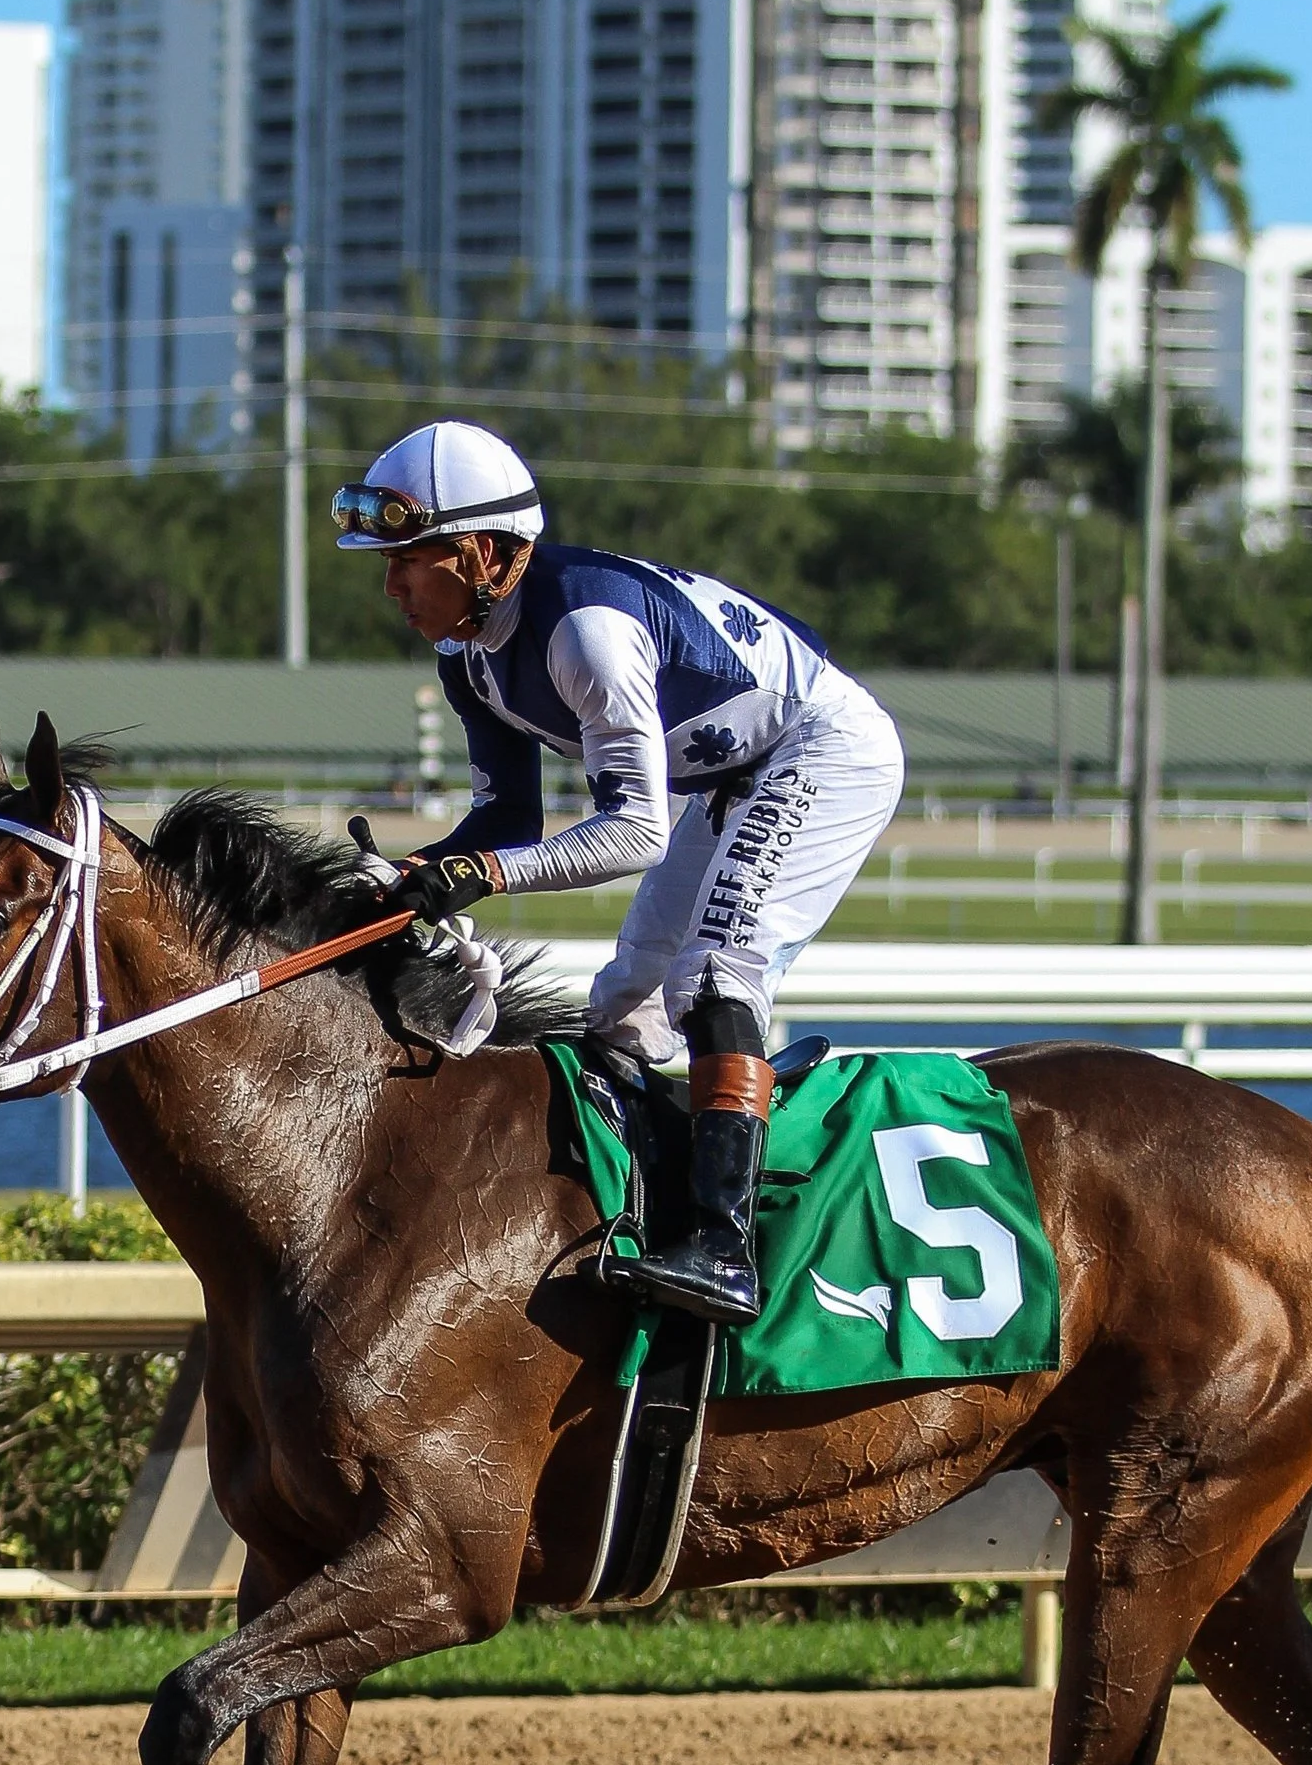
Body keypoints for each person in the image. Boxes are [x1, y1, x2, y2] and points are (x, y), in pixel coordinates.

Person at [334, 418, 905, 1325]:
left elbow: (636, 831)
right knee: (625, 1007)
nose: (393, 583)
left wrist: (479, 872)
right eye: (387, 561)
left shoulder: (585, 636)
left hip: (819, 749)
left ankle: (725, 1245)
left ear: (483, 553)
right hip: (731, 771)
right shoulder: (468, 660)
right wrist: (417, 870)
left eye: (411, 557)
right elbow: (508, 818)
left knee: (717, 977)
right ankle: (645, 1206)